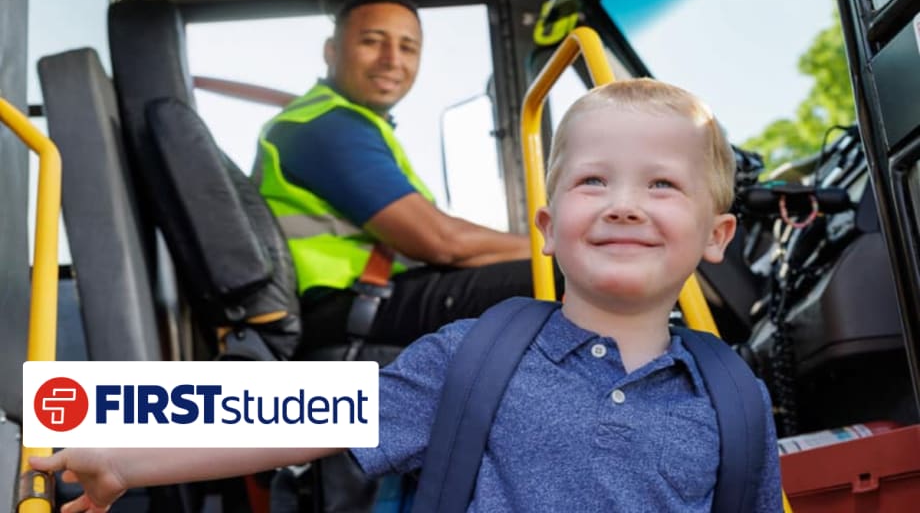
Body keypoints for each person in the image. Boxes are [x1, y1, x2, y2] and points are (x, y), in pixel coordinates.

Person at [32, 79, 782, 512]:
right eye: (594, 180)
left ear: (717, 237)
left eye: (662, 184)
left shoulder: (734, 399)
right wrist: (126, 459)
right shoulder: (473, 358)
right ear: (546, 229)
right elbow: (296, 417)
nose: (624, 204)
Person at [257, 0, 547, 350]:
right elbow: (443, 242)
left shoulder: (355, 124)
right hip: (355, 306)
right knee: (575, 278)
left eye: (407, 48)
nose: (392, 60)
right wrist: (557, 244)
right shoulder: (323, 127)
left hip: (378, 296)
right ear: (331, 51)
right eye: (372, 42)